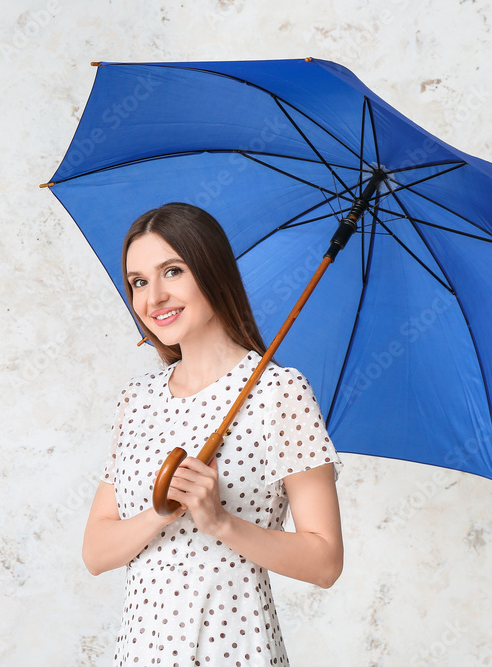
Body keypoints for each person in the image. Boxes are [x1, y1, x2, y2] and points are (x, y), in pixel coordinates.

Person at [82, 202, 343, 666]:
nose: (154, 297)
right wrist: (162, 512)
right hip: (141, 653)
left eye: (173, 271)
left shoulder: (279, 392)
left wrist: (219, 521)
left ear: (211, 271)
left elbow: (325, 562)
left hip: (235, 649)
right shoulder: (137, 400)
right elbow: (96, 552)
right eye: (139, 281)